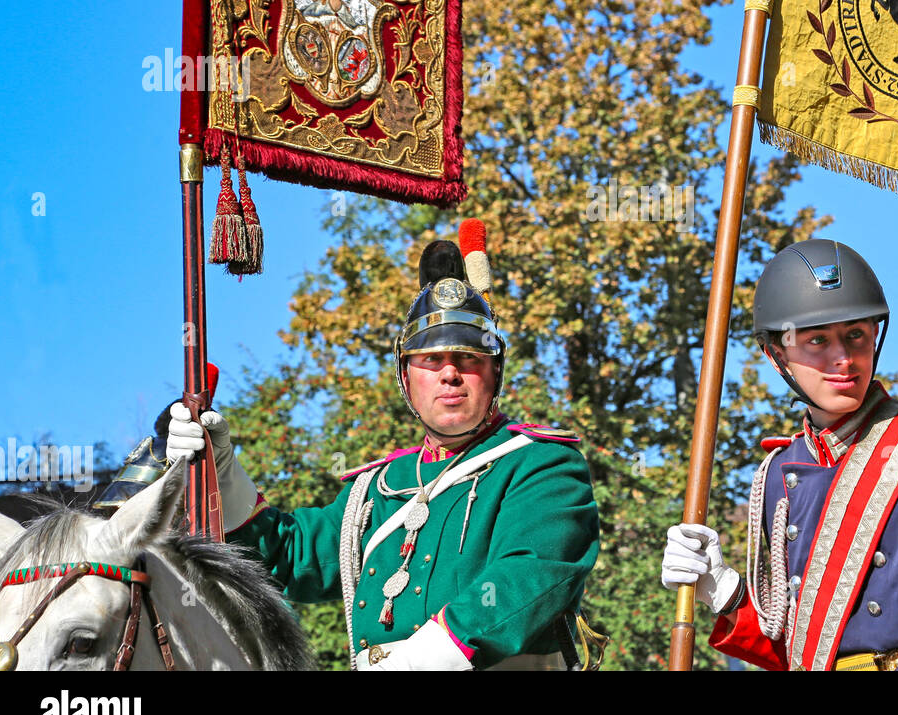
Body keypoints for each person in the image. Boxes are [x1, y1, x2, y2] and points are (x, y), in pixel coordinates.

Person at [167, 236, 600, 670]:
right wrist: (220, 473)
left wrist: (422, 659)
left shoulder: (540, 462)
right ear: (406, 378)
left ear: (495, 373)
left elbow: (529, 575)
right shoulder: (376, 488)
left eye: (468, 358)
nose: (449, 373)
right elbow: (289, 556)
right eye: (430, 359)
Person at [662, 239, 898, 670]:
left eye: (856, 335)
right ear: (776, 355)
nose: (843, 358)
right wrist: (724, 590)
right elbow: (798, 653)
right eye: (818, 339)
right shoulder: (777, 473)